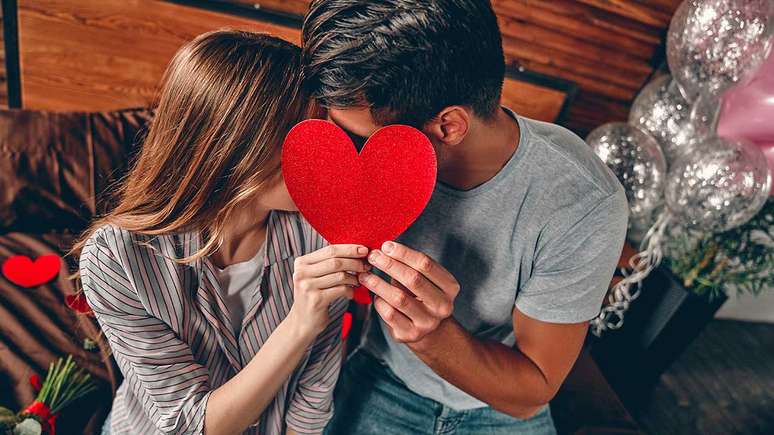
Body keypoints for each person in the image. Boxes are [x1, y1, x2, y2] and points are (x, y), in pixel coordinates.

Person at [301, 1, 629, 434]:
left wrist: (432, 336)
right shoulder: (345, 151)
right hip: (383, 373)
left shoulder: (583, 202)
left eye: (360, 138)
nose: (350, 155)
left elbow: (531, 390)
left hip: (498, 402)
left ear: (449, 126)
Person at [74, 30, 368, 435]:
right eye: (302, 138)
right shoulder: (116, 258)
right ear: (237, 142)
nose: (324, 158)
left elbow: (312, 399)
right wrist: (300, 324)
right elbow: (188, 425)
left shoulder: (322, 233)